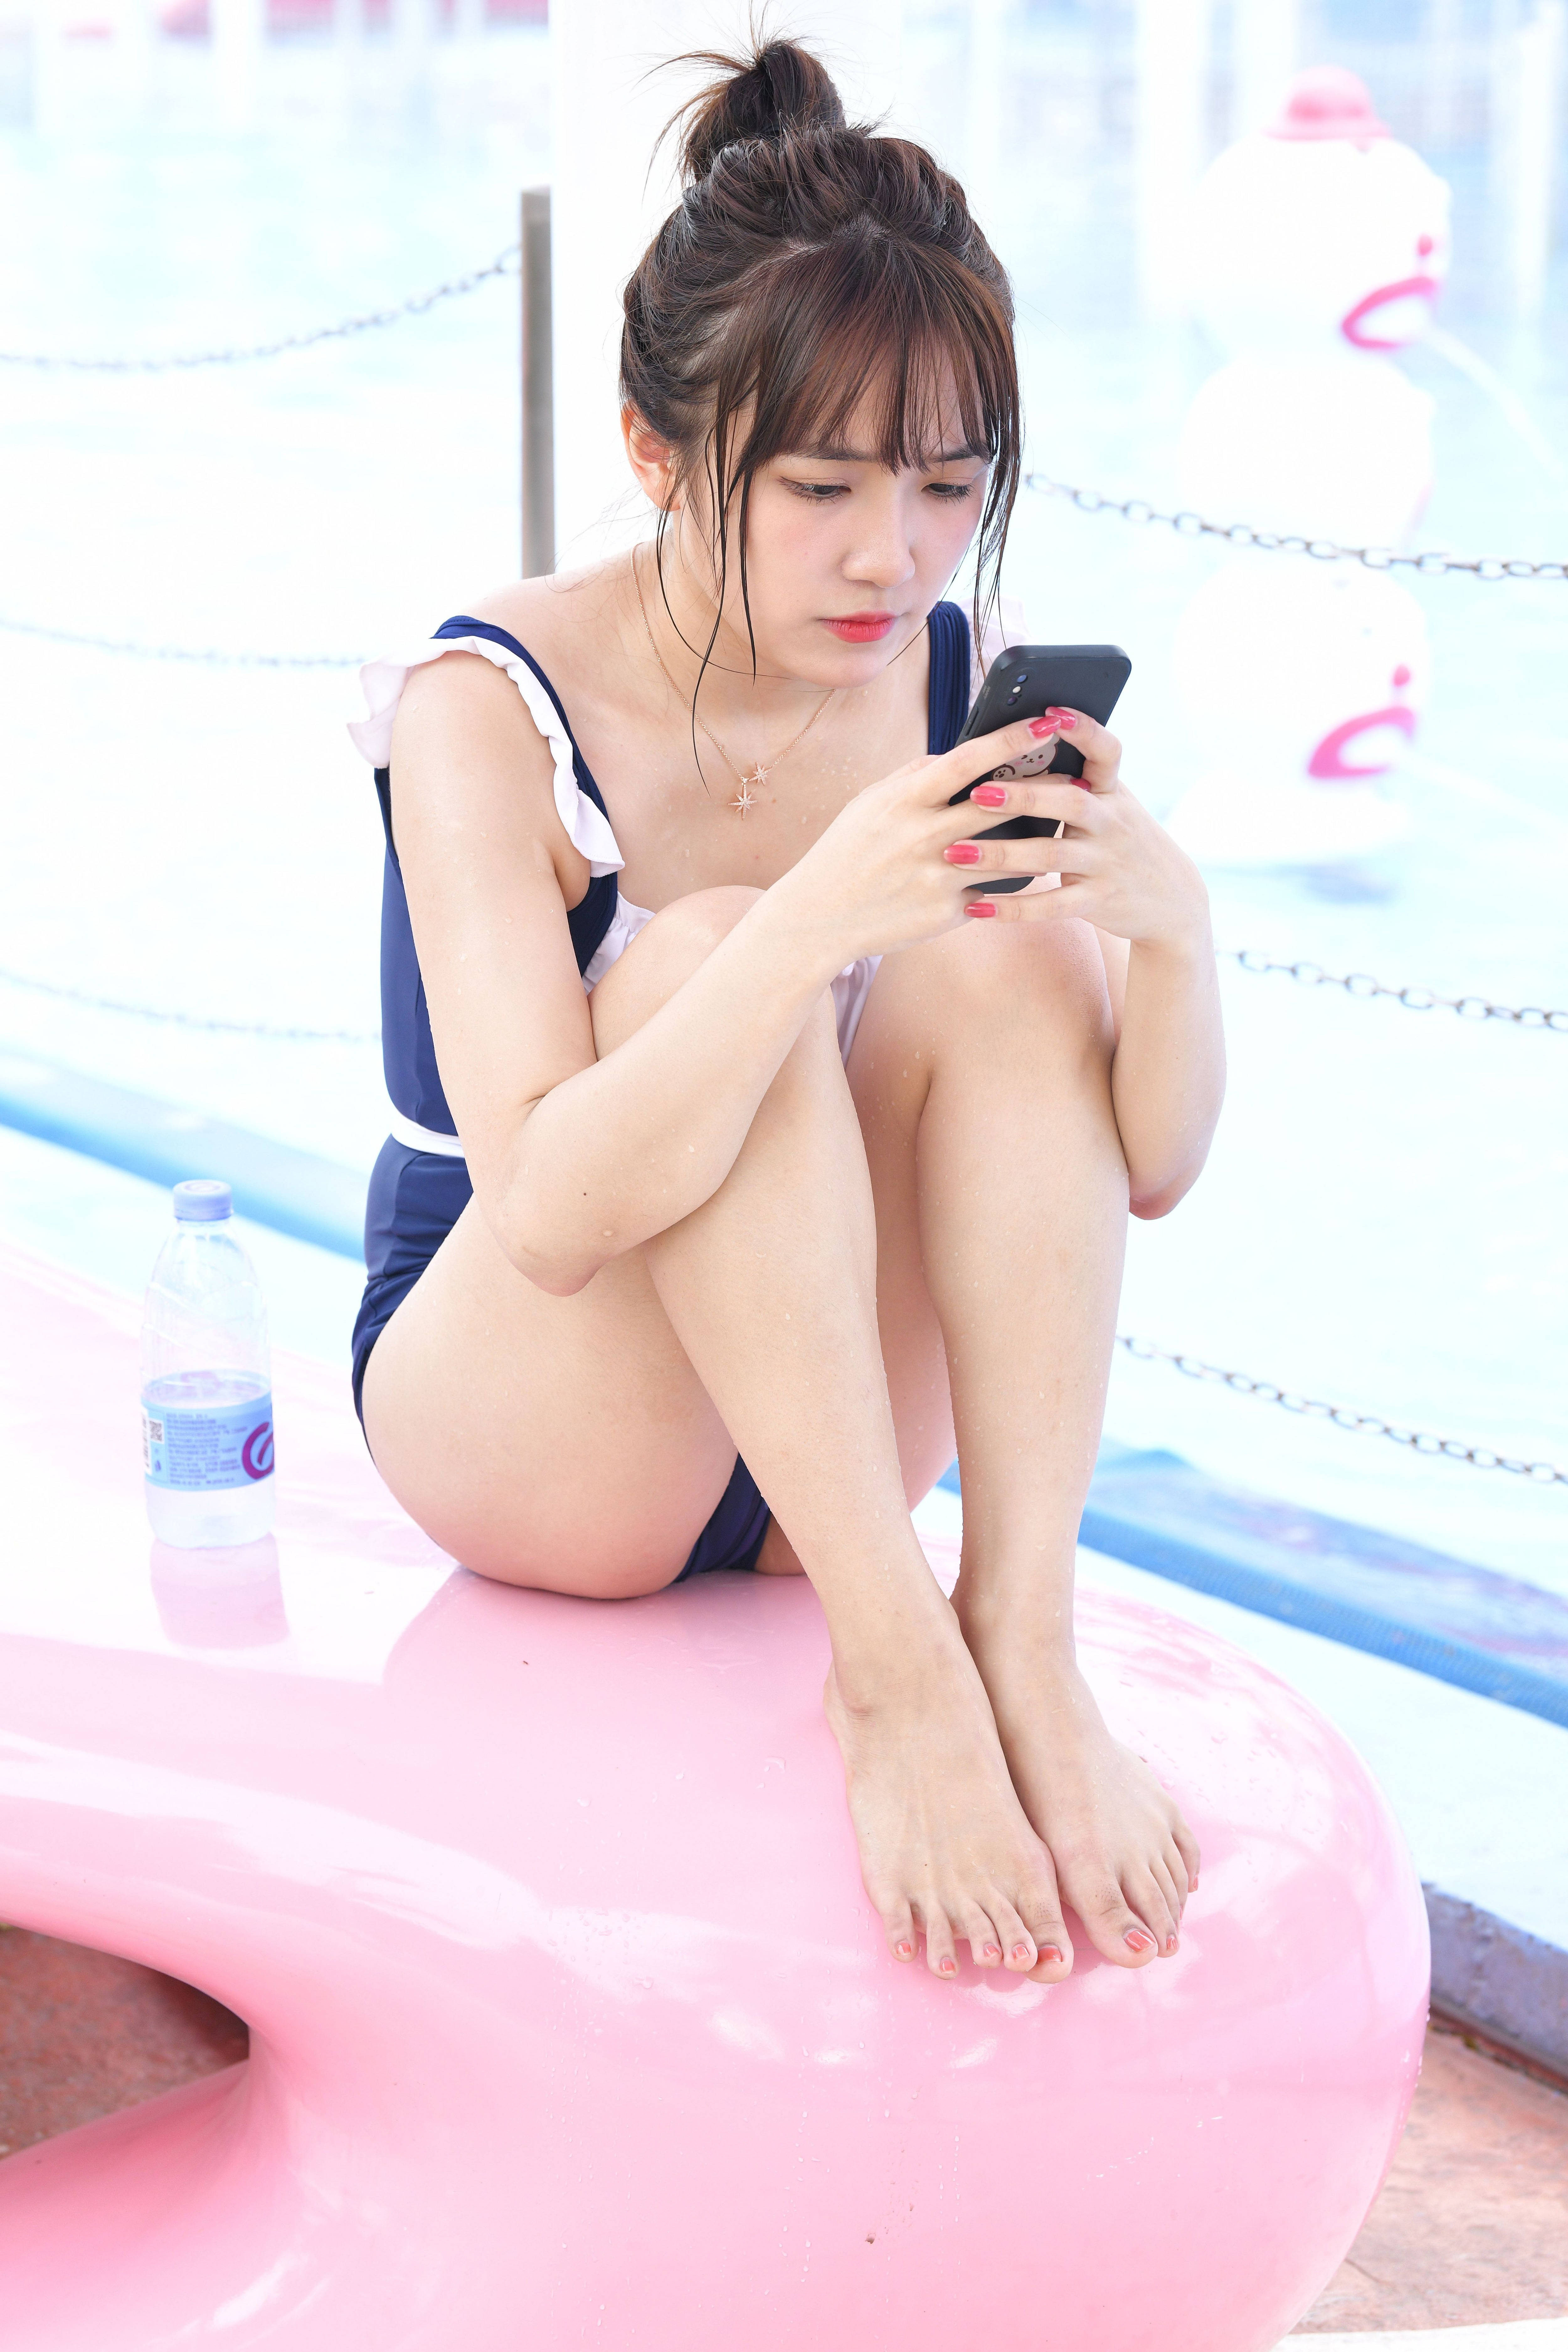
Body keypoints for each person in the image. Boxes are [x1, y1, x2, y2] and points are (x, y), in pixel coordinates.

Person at [349, 36, 1225, 1987]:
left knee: (1005, 945)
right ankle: (894, 1675)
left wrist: (1174, 936)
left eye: (944, 489)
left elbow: (1145, 1168)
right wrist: (812, 919)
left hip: (827, 1418)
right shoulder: (482, 708)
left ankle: (1017, 1635)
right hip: (541, 1418)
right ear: (657, 451)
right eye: (820, 486)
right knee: (705, 960)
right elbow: (549, 1212)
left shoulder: (958, 672)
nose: (886, 556)